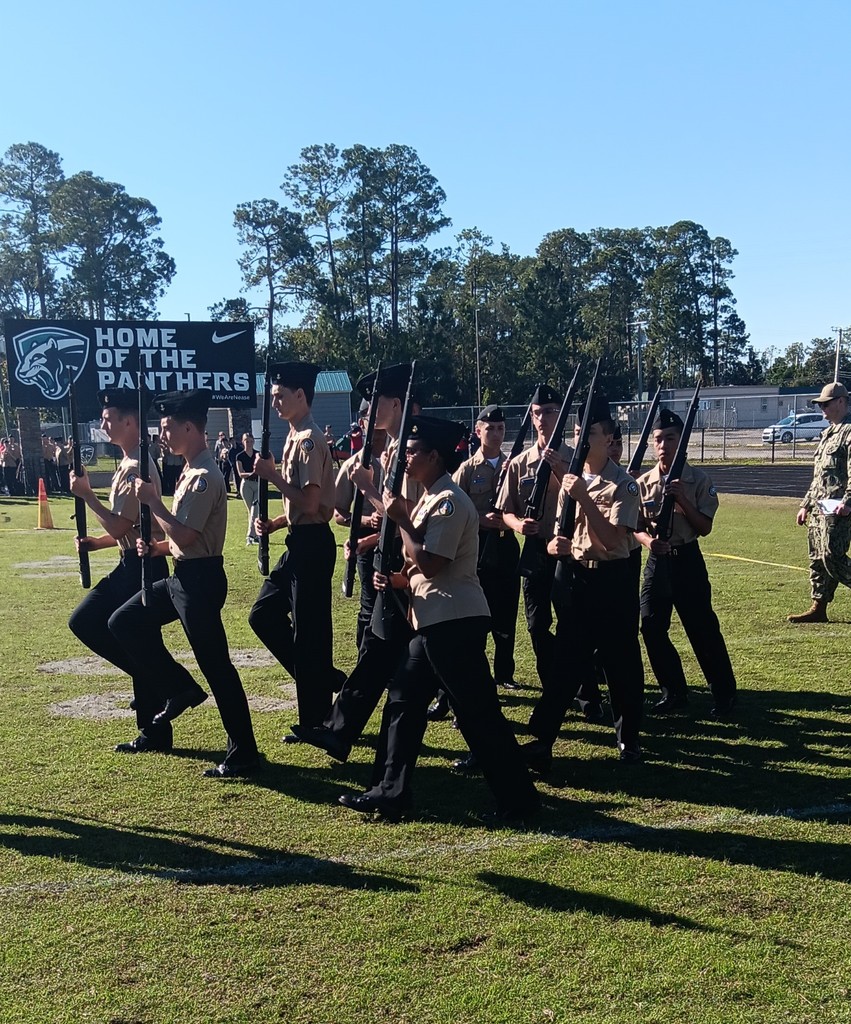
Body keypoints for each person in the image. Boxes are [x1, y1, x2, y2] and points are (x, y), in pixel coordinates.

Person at [337, 416, 540, 823]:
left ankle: (518, 800)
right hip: (431, 620)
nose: (405, 457)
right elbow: (420, 569)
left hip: (454, 621)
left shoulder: (448, 500)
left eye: (413, 452)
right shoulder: (431, 497)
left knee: (478, 713)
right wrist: (394, 577)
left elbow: (430, 563)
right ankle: (390, 791)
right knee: (402, 701)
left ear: (434, 457)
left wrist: (398, 518)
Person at [109, 388, 259, 777]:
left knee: (217, 666)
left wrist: (154, 502)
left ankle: (243, 751)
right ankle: (178, 688)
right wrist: (157, 548)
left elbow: (189, 537)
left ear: (189, 428)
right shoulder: (192, 471)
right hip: (183, 577)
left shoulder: (205, 477)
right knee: (124, 622)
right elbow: (180, 540)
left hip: (200, 581)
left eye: (167, 428)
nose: (162, 435)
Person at [291, 363, 421, 762]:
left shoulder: (413, 452)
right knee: (377, 651)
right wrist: (368, 542)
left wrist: (369, 491)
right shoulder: (395, 450)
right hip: (390, 563)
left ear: (396, 404)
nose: (368, 409)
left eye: (376, 400)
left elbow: (413, 517)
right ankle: (339, 731)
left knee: (435, 669)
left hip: (411, 568)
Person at [521, 392, 645, 771]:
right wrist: (559, 545)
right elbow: (568, 532)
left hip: (612, 580)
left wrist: (583, 497)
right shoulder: (574, 480)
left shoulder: (623, 485)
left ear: (608, 438)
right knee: (565, 664)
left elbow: (611, 539)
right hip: (576, 579)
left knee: (621, 663)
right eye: (577, 430)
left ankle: (628, 740)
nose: (580, 437)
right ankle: (542, 739)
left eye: (588, 431)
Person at [249, 362, 341, 738]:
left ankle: (315, 719)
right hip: (299, 541)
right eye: (272, 397)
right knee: (263, 614)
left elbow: (311, 502)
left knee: (310, 634)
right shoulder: (294, 436)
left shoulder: (307, 439)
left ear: (300, 395)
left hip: (313, 546)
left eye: (280, 396)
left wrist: (271, 477)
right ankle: (321, 678)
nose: (274, 403)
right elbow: (302, 508)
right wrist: (274, 523)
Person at [634, 407, 737, 718]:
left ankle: (724, 694)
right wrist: (649, 541)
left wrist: (682, 501)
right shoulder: (643, 483)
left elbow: (704, 528)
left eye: (670, 438)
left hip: (687, 559)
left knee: (702, 629)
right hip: (657, 560)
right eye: (658, 439)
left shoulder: (698, 480)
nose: (663, 445)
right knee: (651, 627)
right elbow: (636, 525)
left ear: (682, 442)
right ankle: (673, 691)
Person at [68, 388, 171, 696]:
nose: (104, 423)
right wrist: (96, 544)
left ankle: (164, 682)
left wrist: (87, 495)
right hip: (135, 558)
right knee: (139, 638)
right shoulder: (129, 462)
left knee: (87, 621)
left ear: (129, 422)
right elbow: (130, 527)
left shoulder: (135, 467)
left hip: (142, 564)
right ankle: (152, 726)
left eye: (109, 418)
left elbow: (119, 525)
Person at [498, 384, 578, 720]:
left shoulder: (575, 458)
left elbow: (588, 501)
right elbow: (504, 509)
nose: (542, 418)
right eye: (537, 413)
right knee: (537, 625)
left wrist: (561, 469)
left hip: (569, 551)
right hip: (534, 551)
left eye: (548, 412)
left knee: (572, 624)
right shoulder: (519, 463)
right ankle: (552, 686)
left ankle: (575, 686)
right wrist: (518, 526)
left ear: (560, 416)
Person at [788, 382, 851, 623]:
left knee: (832, 556)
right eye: (820, 404)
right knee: (816, 557)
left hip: (839, 506)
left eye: (825, 404)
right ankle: (819, 607)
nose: (822, 409)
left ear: (841, 402)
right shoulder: (828, 433)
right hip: (820, 505)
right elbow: (819, 477)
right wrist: (806, 504)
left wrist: (848, 501)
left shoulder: (849, 431)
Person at [235, 432, 260, 545]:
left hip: (258, 484)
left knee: (255, 510)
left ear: (253, 441)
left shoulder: (258, 454)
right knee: (251, 511)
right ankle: (254, 535)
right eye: (246, 441)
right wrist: (252, 473)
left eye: (250, 441)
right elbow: (241, 473)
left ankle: (250, 535)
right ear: (242, 442)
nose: (248, 443)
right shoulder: (239, 456)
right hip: (246, 485)